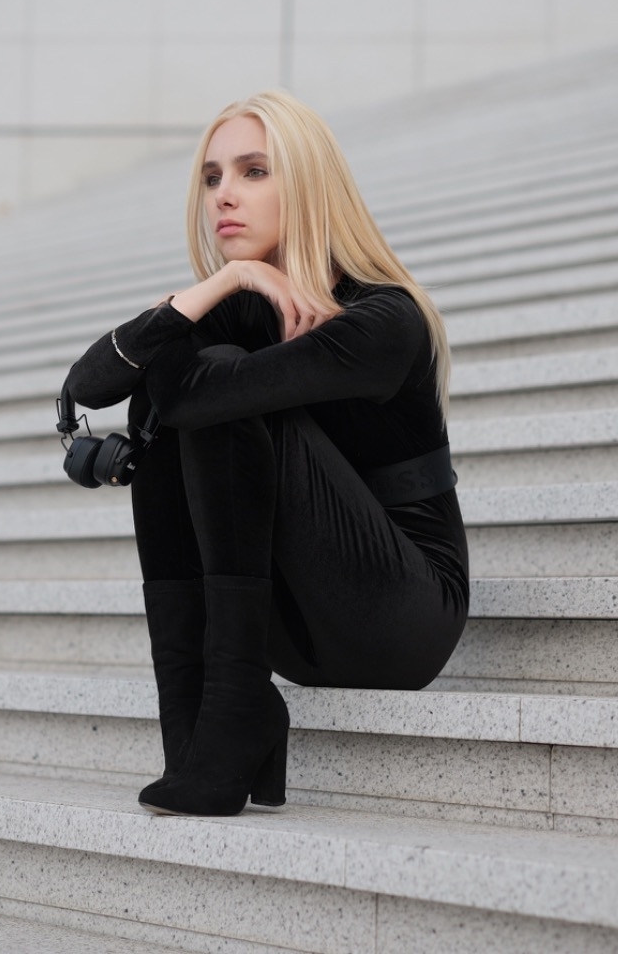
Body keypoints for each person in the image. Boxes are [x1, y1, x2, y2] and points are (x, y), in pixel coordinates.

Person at [62, 91, 469, 817]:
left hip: (401, 615)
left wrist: (185, 328)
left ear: (307, 184)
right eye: (212, 177)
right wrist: (225, 281)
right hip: (292, 615)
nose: (225, 195)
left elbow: (187, 395)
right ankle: (195, 724)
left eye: (254, 171)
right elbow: (87, 387)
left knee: (210, 386)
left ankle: (232, 707)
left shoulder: (382, 318)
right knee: (190, 385)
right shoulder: (239, 305)